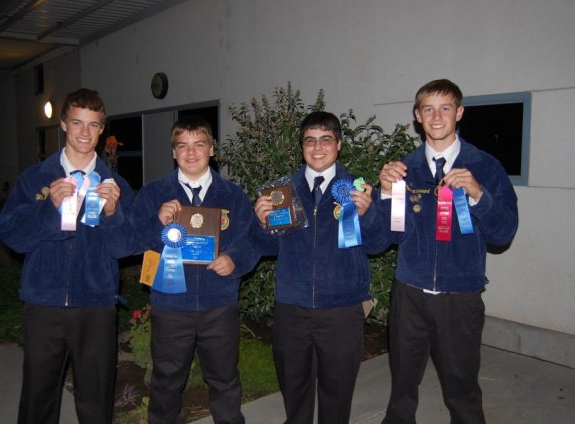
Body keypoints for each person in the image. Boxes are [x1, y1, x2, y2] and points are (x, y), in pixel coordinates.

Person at [377, 79, 519, 423]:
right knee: (401, 390)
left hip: (460, 297)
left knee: (462, 391)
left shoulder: (485, 167)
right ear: (417, 115)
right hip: (409, 295)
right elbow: (385, 238)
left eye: (445, 108)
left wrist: (477, 194)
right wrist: (384, 194)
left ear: (459, 113)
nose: (436, 116)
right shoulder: (403, 171)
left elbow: (504, 232)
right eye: (428, 108)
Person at [0, 88, 134, 424]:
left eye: (93, 124)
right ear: (63, 125)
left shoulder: (115, 184)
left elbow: (127, 246)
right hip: (44, 303)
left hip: (97, 304)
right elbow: (11, 234)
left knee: (97, 397)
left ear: (102, 130)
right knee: (38, 397)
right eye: (77, 122)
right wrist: (48, 211)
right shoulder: (36, 179)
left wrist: (113, 213)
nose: (84, 132)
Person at [252, 111, 384, 424]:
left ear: (338, 144)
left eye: (326, 139)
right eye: (310, 140)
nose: (318, 147)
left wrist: (369, 216)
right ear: (301, 147)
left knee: (337, 394)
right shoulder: (281, 191)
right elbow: (268, 247)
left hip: (341, 309)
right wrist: (261, 223)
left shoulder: (358, 189)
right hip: (292, 308)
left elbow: (378, 244)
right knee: (294, 391)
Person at [130, 115, 258, 424]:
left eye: (199, 144)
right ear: (173, 152)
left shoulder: (233, 195)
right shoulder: (153, 194)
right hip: (171, 305)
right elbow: (131, 239)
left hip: (219, 304)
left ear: (212, 149)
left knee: (225, 381)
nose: (191, 153)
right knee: (166, 382)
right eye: (182, 146)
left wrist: (235, 260)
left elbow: (252, 239)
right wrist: (155, 221)